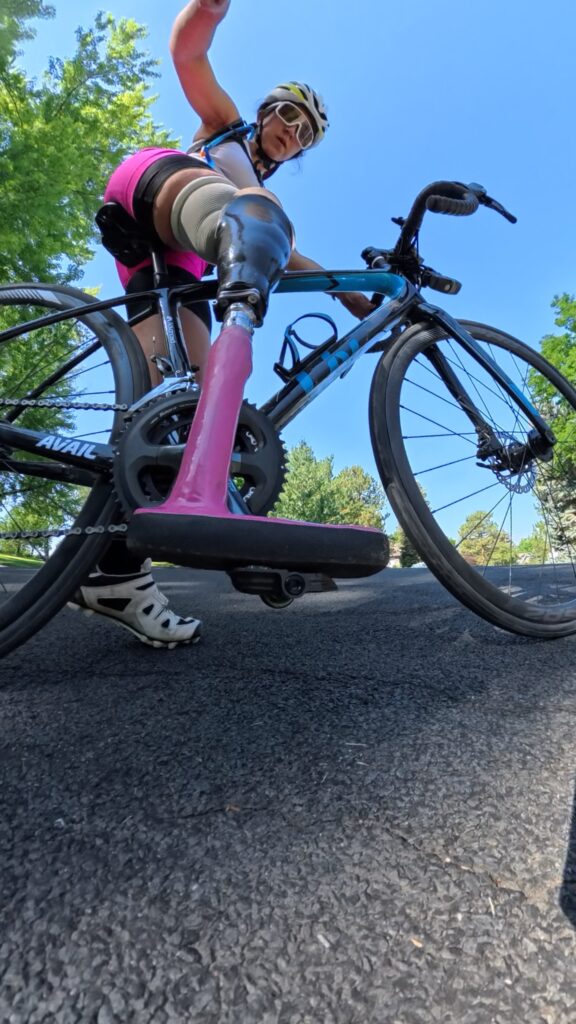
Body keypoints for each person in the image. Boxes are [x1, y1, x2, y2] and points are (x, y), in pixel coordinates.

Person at [69, 0, 374, 649]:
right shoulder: (225, 130)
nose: (292, 130)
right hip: (158, 188)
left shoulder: (260, 187)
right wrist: (206, 10)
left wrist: (346, 289)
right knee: (260, 215)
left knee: (178, 414)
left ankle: (114, 573)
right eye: (288, 115)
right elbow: (188, 54)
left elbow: (285, 256)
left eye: (306, 132)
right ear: (266, 112)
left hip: (167, 264)